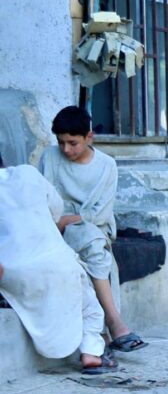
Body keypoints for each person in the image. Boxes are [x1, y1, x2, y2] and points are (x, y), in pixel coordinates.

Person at [39, 106, 146, 353]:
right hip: (57, 229)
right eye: (61, 142)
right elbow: (41, 197)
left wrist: (66, 220)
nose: (66, 149)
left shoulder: (107, 165)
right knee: (90, 252)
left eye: (72, 143)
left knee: (91, 242)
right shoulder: (50, 157)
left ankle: (104, 330)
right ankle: (113, 323)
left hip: (93, 229)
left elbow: (98, 214)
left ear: (89, 137)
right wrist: (60, 222)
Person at [0, 154, 113, 373]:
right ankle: (91, 353)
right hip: (57, 262)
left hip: (12, 273)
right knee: (90, 307)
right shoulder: (28, 173)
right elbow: (56, 209)